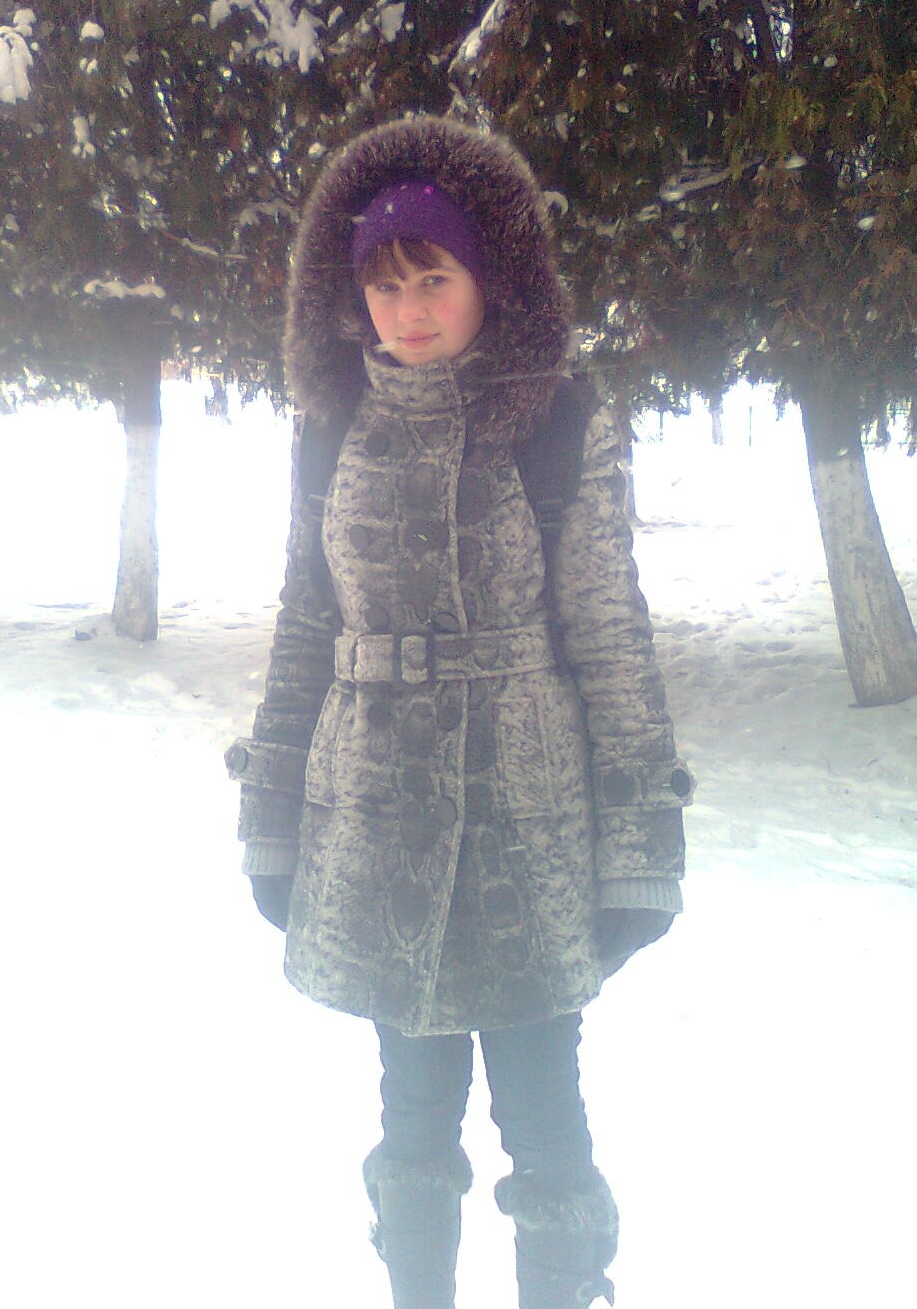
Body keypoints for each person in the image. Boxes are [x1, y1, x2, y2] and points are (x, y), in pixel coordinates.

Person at [227, 114, 693, 1309]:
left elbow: (608, 632)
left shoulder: (557, 422)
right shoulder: (331, 429)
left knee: (544, 1115)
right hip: (376, 819)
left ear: (489, 278)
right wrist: (271, 817)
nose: (409, 310)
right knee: (412, 1116)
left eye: (433, 277)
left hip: (525, 826)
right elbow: (304, 627)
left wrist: (640, 843)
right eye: (383, 285)